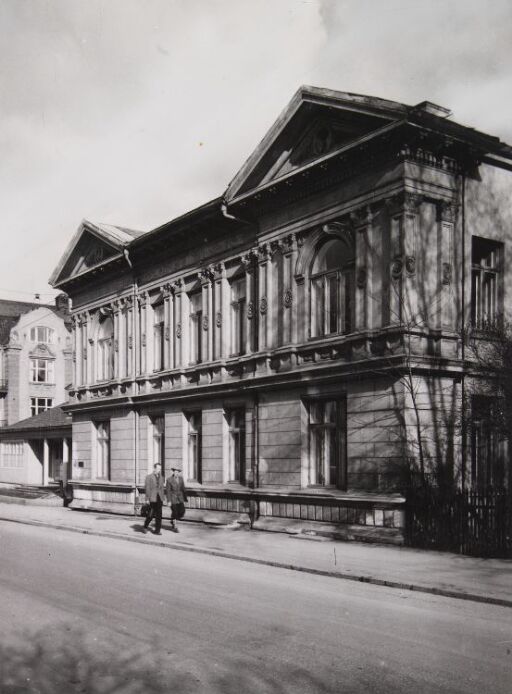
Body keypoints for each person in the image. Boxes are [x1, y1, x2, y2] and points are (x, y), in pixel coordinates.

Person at [144, 463, 165, 535]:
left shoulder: (162, 477)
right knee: (151, 514)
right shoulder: (149, 477)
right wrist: (147, 499)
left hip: (159, 498)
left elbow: (162, 488)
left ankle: (157, 530)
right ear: (154, 468)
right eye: (158, 468)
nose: (159, 470)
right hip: (152, 497)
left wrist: (162, 497)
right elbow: (147, 488)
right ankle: (145, 526)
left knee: (159, 514)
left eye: (160, 469)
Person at [165, 468, 188, 532]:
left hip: (180, 498)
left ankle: (172, 520)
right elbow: (168, 491)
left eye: (177, 472)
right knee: (174, 511)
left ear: (179, 473)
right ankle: (174, 525)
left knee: (182, 511)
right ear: (173, 472)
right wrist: (169, 501)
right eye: (175, 472)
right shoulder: (169, 480)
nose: (176, 473)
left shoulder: (181, 479)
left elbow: (183, 489)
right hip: (173, 498)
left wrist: (185, 499)